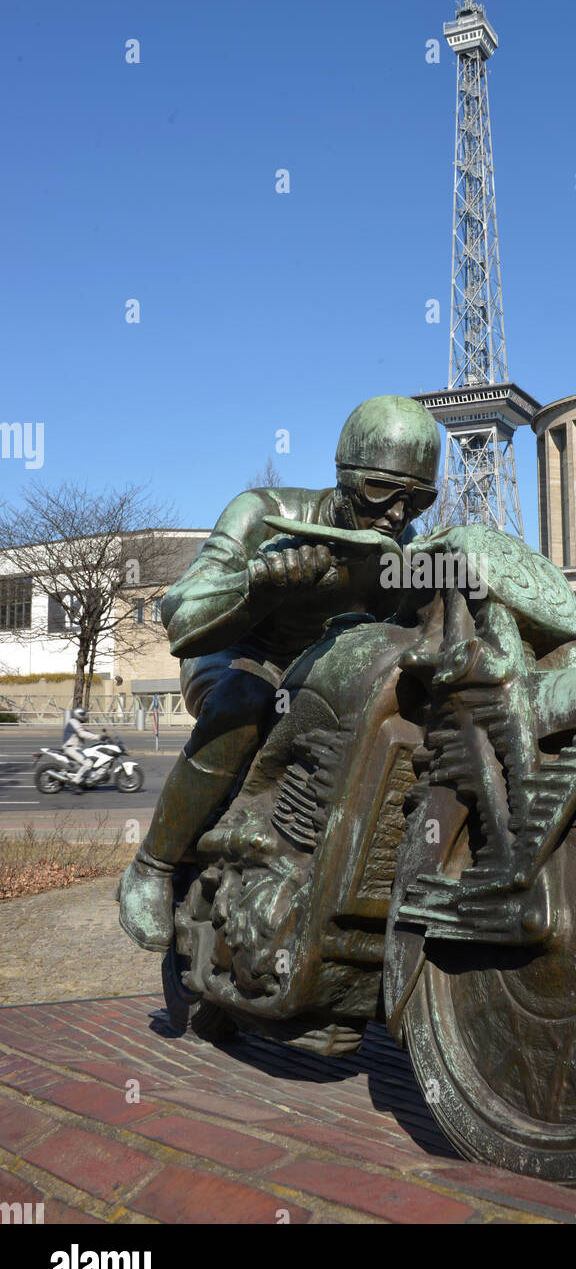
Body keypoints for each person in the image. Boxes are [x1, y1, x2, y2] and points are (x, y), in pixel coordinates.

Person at [118, 394, 440, 951]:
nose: (396, 513)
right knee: (247, 699)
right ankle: (151, 866)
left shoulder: (403, 550)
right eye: (381, 491)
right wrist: (258, 584)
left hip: (321, 671)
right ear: (346, 478)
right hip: (235, 653)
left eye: (418, 499)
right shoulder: (261, 512)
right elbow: (181, 613)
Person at [62, 706, 101, 789]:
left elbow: (87, 732)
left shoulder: (76, 723)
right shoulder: (73, 722)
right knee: (88, 763)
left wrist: (103, 737)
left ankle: (87, 782)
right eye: (83, 714)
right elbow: (82, 734)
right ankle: (75, 782)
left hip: (75, 748)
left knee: (89, 760)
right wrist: (98, 737)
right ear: (78, 715)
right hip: (71, 748)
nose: (85, 716)